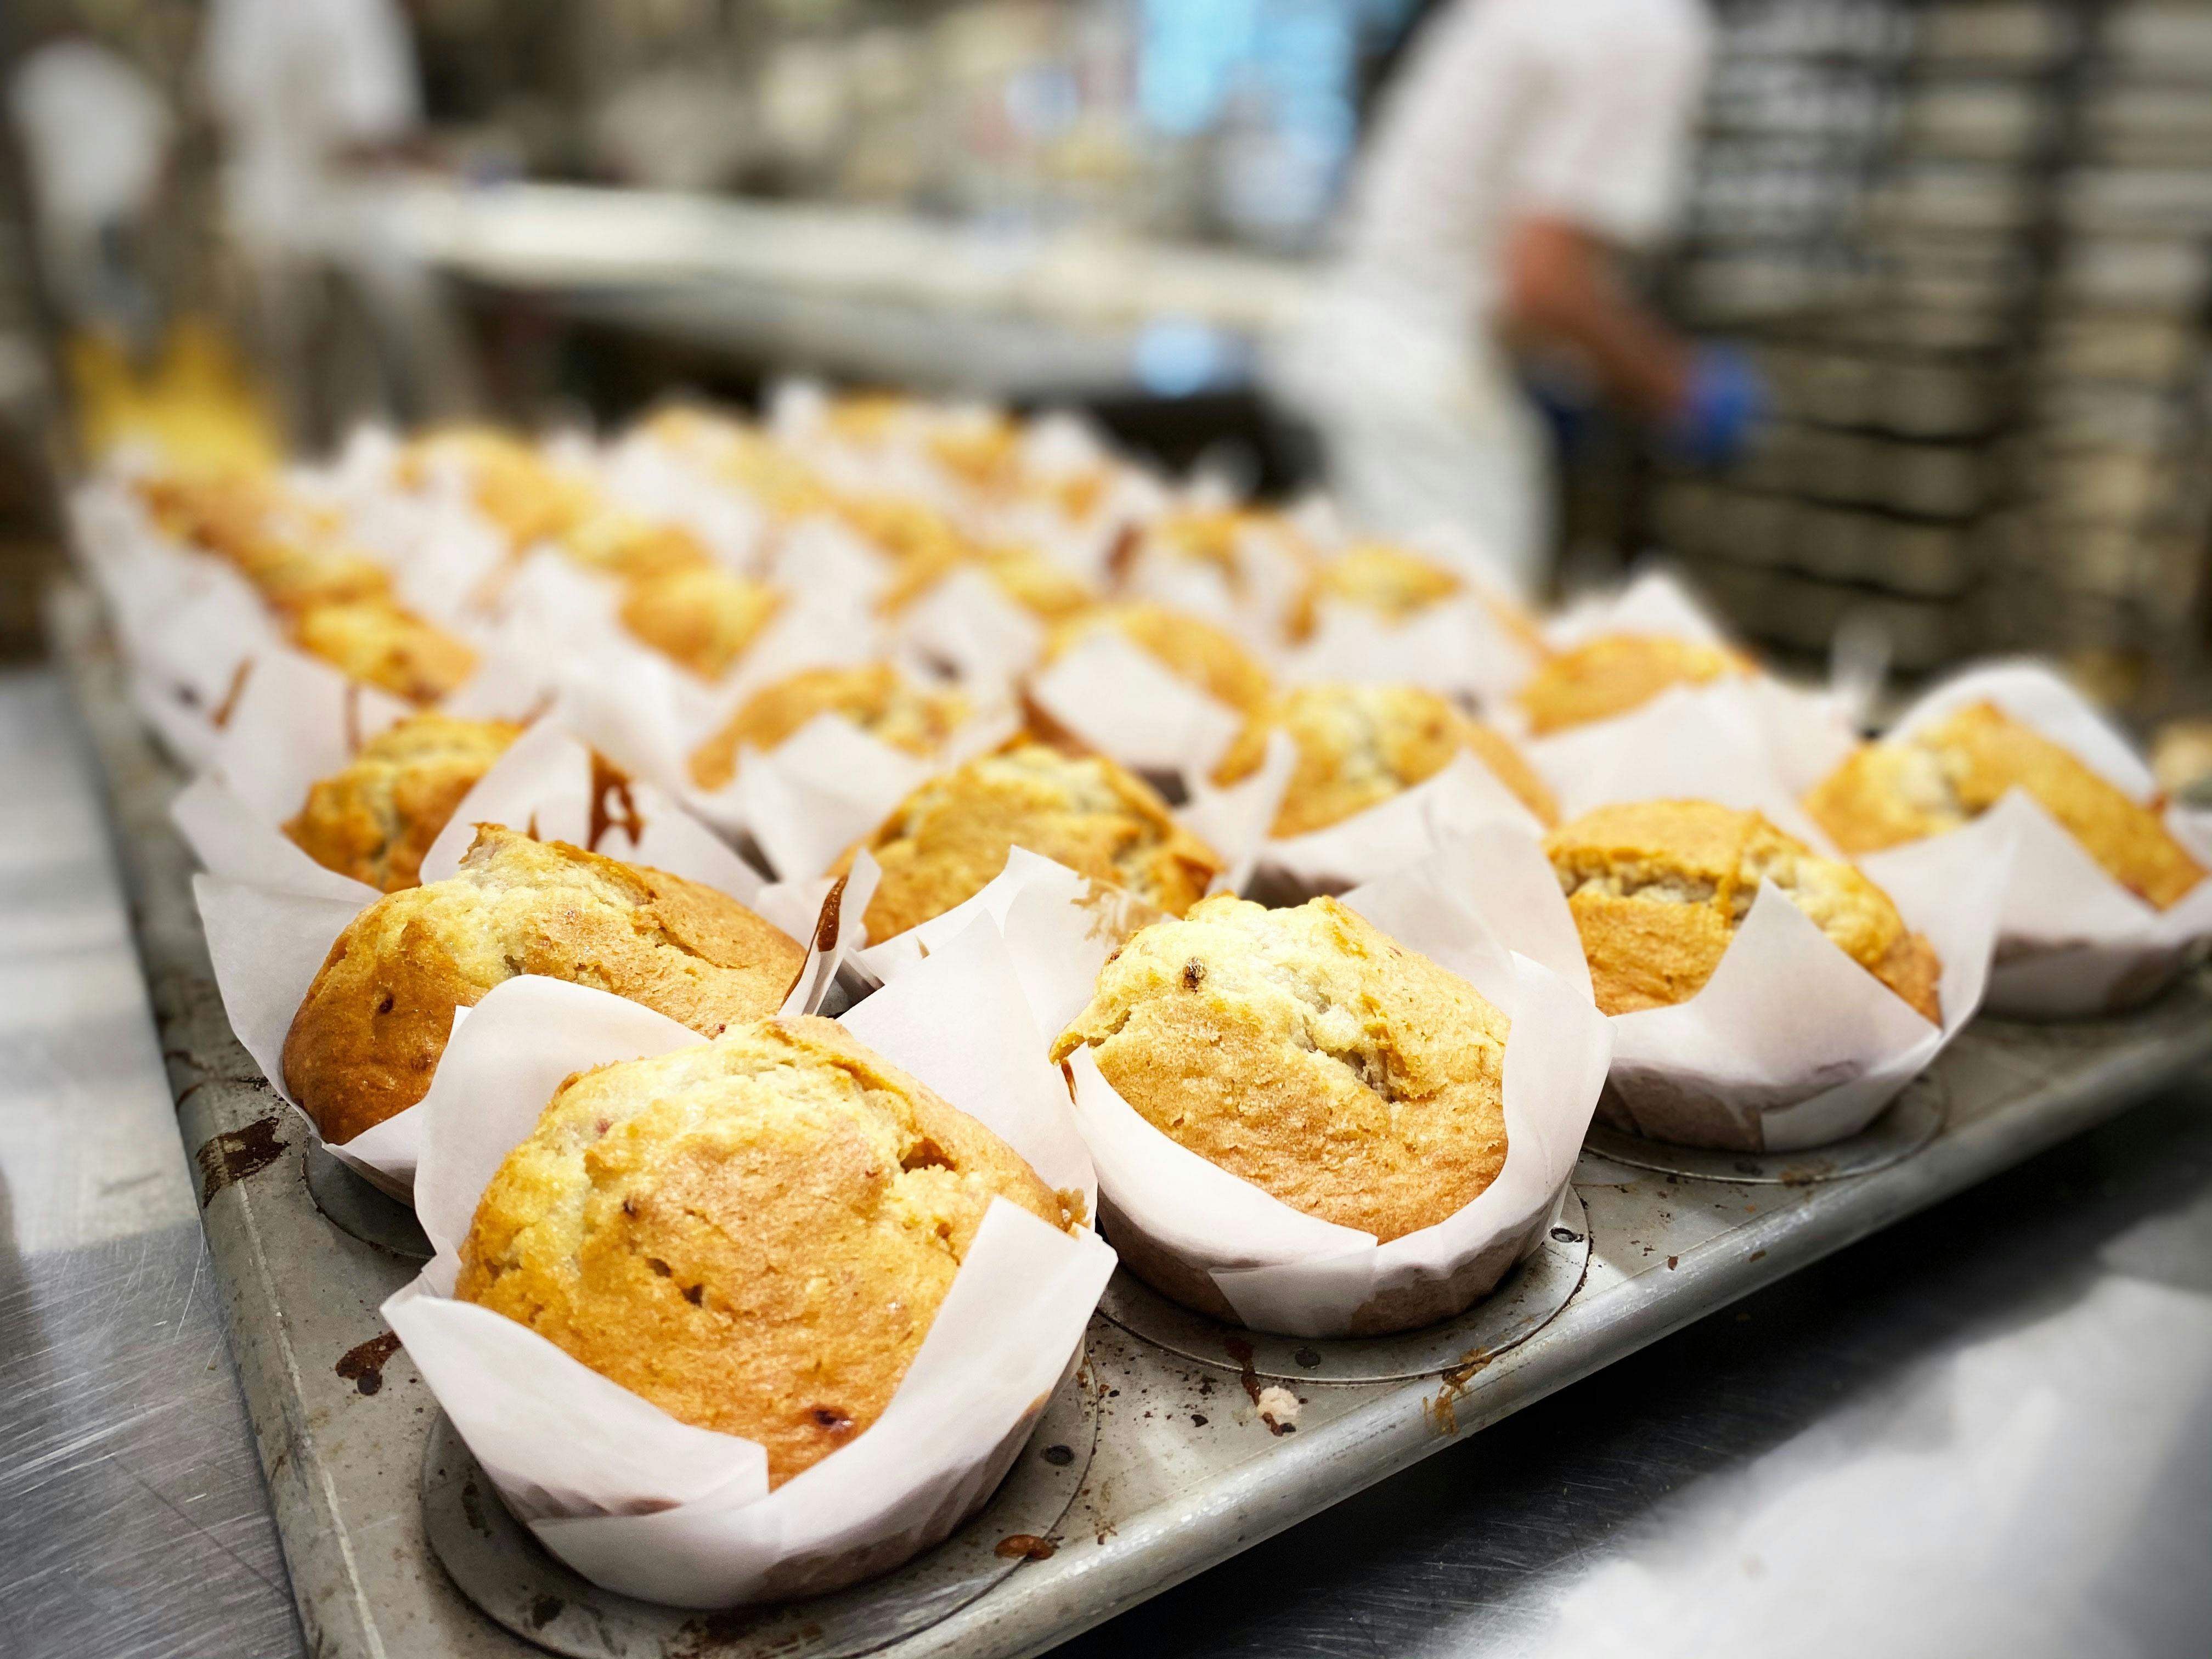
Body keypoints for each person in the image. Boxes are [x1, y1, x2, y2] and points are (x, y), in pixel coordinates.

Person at [1271, 0, 1759, 594]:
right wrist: (1678, 388)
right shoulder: (1647, 25)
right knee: (1459, 661)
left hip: (1366, 353)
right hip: (1432, 393)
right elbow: (1543, 278)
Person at [200, 0, 470, 441]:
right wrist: (440, 159)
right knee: (367, 440)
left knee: (297, 435)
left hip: (271, 236)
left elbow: (223, 104)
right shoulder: (352, 11)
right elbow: (354, 139)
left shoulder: (242, 9)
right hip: (347, 252)